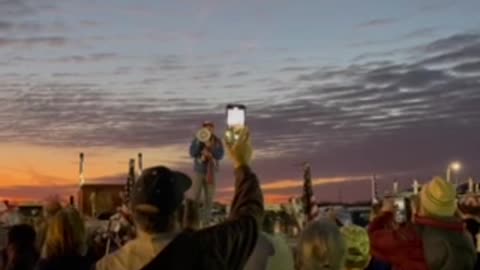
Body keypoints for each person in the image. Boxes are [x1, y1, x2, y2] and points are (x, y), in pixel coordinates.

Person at [96, 126, 263, 270]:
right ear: (179, 212)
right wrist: (241, 163)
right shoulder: (208, 250)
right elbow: (249, 216)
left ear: (132, 215)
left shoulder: (107, 266)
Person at [369, 176, 476, 270]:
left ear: (424, 203)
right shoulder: (464, 234)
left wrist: (385, 213)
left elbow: (370, 241)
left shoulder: (412, 236)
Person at [189, 121, 224, 223]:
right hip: (199, 172)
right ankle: (193, 221)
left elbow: (220, 155)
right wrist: (199, 142)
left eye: (211, 128)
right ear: (203, 129)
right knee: (195, 197)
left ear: (213, 129)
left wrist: (211, 148)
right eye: (207, 128)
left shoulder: (217, 141)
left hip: (210, 173)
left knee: (209, 199)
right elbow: (192, 153)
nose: (209, 129)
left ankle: (206, 222)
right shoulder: (197, 138)